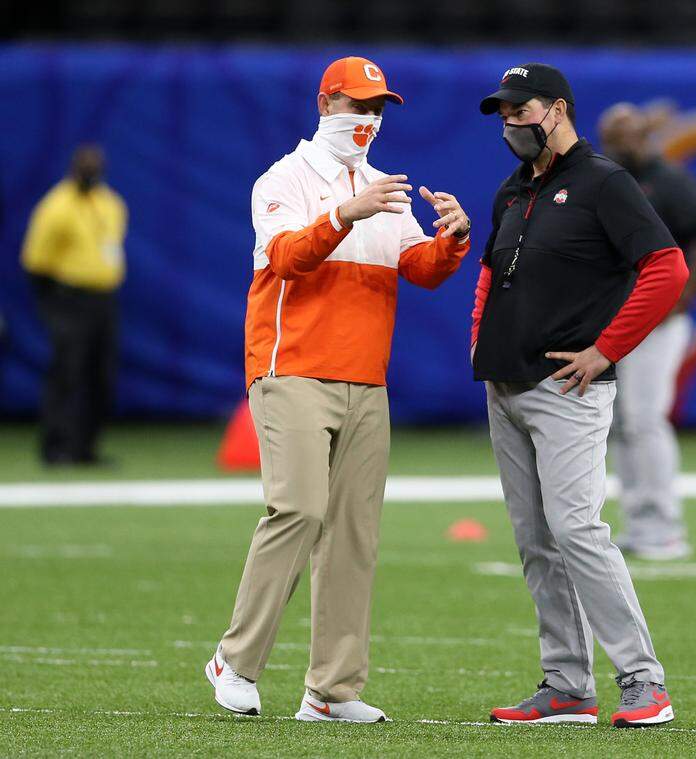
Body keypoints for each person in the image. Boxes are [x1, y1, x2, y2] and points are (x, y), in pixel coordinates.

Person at [205, 56, 471, 722]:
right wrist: (344, 214)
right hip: (291, 366)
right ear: (324, 104)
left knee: (354, 533)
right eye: (356, 105)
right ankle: (234, 660)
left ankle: (331, 689)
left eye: (377, 109)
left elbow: (417, 267)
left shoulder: (384, 185)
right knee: (297, 508)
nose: (368, 120)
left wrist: (452, 242)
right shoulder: (282, 178)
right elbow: (288, 256)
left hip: (364, 379)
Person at [471, 63, 688, 727]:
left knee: (577, 531)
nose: (512, 122)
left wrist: (607, 348)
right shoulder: (515, 190)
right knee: (536, 540)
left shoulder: (603, 183)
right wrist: (480, 336)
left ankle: (643, 682)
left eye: (522, 108)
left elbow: (668, 267)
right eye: (504, 112)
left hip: (565, 387)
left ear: (558, 109)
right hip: (506, 385)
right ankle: (568, 685)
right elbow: (491, 271)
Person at [598, 102, 696, 561]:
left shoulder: (669, 182)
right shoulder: (605, 181)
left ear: (644, 134)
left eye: (628, 134)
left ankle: (665, 526)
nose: (621, 144)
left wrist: (682, 299)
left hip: (656, 319)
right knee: (618, 422)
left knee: (644, 417)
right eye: (613, 136)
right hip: (616, 317)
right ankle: (640, 521)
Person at [21, 145, 127, 466]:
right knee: (68, 371)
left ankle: (85, 447)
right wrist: (53, 304)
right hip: (69, 297)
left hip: (103, 299)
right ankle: (56, 446)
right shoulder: (57, 206)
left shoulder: (111, 204)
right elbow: (35, 260)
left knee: (100, 374)